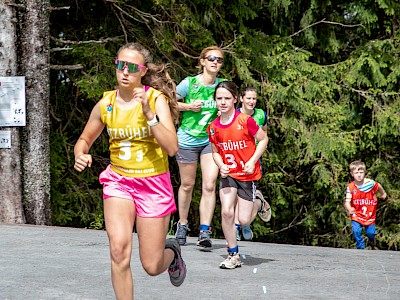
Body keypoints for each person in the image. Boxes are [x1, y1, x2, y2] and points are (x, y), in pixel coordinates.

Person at [74, 42, 186, 299]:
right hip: (119, 181)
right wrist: (80, 154)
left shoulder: (156, 100)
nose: (124, 71)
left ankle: (172, 255)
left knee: (151, 265)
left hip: (153, 184)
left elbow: (171, 148)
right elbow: (84, 140)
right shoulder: (106, 104)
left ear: (143, 71)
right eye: (120, 65)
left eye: (132, 67)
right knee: (118, 251)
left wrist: (149, 114)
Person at [207, 81, 269, 269]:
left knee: (243, 220)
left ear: (235, 99)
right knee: (226, 211)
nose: (223, 102)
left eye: (227, 98)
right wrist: (220, 165)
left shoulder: (245, 120)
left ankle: (258, 202)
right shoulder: (213, 126)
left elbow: (263, 139)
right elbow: (215, 150)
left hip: (247, 175)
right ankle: (233, 254)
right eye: (219, 98)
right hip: (229, 174)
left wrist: (252, 161)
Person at [174, 46, 225, 249]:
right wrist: (188, 106)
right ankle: (183, 224)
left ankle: (205, 229)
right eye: (210, 58)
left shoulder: (222, 86)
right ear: (202, 61)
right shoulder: (189, 83)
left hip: (210, 141)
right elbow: (167, 101)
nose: (214, 62)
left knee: (209, 184)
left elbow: (232, 106)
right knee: (187, 184)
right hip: (187, 139)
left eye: (219, 60)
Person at [234, 86, 271, 241]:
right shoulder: (234, 114)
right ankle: (242, 221)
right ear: (241, 98)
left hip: (252, 160)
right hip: (235, 158)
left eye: (254, 99)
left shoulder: (261, 114)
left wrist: (255, 158)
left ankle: (241, 224)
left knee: (244, 195)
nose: (251, 101)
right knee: (234, 194)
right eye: (248, 98)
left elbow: (264, 136)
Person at [344, 160, 387, 250]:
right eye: (356, 173)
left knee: (371, 233)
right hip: (356, 213)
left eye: (361, 172)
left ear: (364, 173)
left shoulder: (370, 183)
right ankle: (361, 247)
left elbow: (378, 186)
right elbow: (347, 201)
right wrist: (349, 208)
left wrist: (383, 193)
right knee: (356, 231)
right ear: (352, 174)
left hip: (369, 213)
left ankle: (371, 241)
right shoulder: (350, 187)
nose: (359, 175)